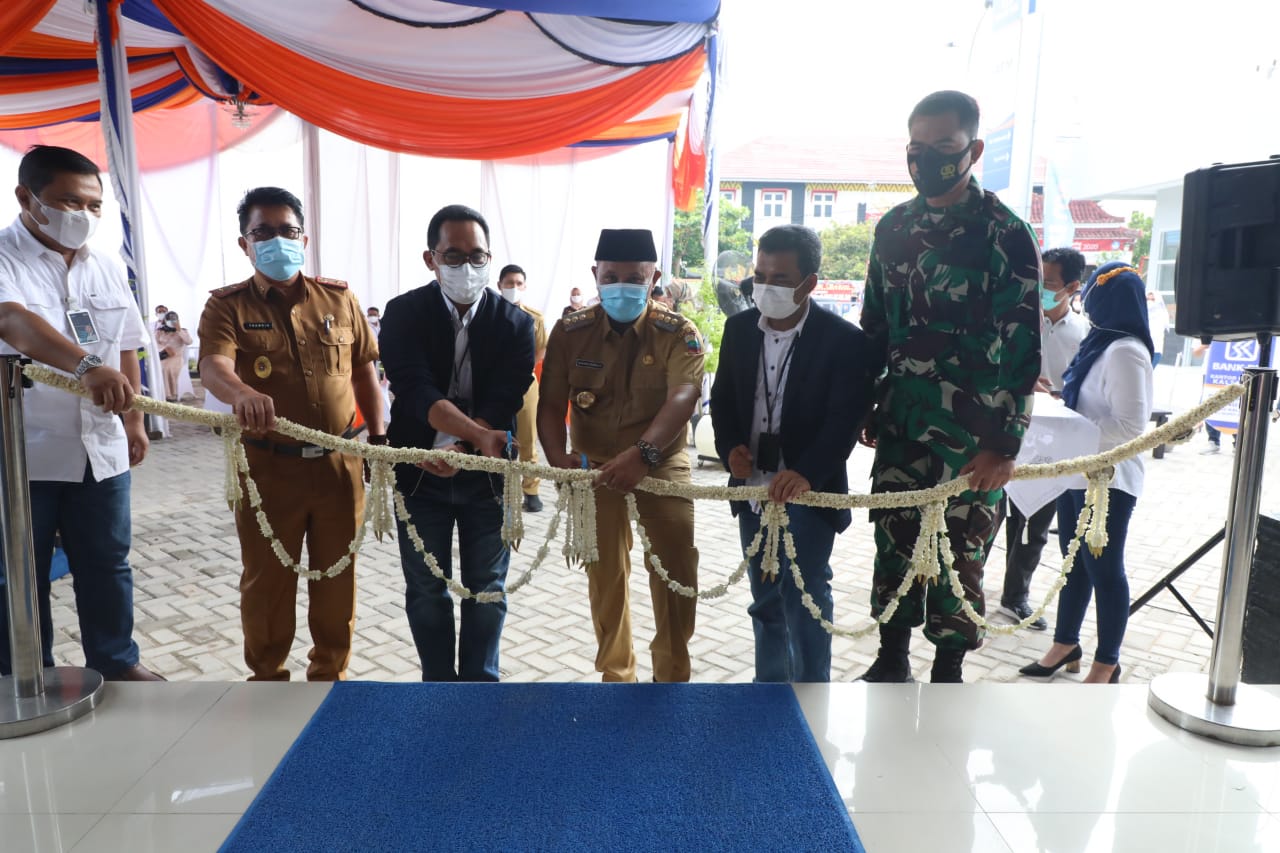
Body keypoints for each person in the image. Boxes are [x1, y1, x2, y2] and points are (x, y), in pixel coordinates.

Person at [858, 91, 1042, 684]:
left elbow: (1022, 350)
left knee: (960, 553)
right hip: (902, 423)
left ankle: (948, 670)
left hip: (972, 434)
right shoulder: (893, 227)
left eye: (944, 147)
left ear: (973, 150)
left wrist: (1004, 446)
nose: (927, 159)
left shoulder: (1004, 233)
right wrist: (868, 402)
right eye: (918, 147)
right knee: (894, 540)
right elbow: (874, 327)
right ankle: (890, 660)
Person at [198, 186, 384, 682]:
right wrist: (240, 394)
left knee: (337, 578)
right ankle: (267, 679)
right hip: (267, 469)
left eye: (287, 230)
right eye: (263, 232)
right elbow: (214, 367)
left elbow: (365, 371)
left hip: (338, 466)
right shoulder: (226, 307)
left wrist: (379, 440)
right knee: (267, 583)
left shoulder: (339, 298)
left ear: (304, 236)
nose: (277, 240)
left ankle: (330, 677)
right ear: (245, 243)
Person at [0, 144, 161, 681]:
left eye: (93, 205)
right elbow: (13, 323)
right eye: (69, 202)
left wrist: (134, 421)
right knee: (20, 575)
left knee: (107, 565)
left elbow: (128, 346)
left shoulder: (108, 265)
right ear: (28, 198)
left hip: (101, 450)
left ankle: (116, 665)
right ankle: (26, 674)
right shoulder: (5, 257)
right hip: (25, 454)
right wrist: (86, 365)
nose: (83, 216)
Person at [710, 225, 878, 682]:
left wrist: (805, 471)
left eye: (780, 279)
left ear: (809, 283)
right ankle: (770, 696)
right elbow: (723, 400)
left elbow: (844, 419)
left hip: (807, 493)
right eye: (760, 275)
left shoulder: (843, 341)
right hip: (753, 489)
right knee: (765, 599)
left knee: (804, 597)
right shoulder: (739, 329)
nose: (765, 287)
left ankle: (811, 698)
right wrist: (729, 451)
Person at [538, 228, 704, 683]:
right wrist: (556, 456)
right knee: (605, 576)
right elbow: (550, 402)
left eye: (635, 276)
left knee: (675, 570)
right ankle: (617, 673)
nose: (623, 285)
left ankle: (671, 675)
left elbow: (684, 395)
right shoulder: (572, 331)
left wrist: (644, 454)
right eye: (611, 276)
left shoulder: (677, 332)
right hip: (593, 466)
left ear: (654, 277)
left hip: (662, 463)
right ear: (595, 274)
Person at [378, 204, 534, 682]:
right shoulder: (403, 314)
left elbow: (505, 395)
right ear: (431, 259)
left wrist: (465, 449)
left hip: (487, 479)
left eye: (477, 256)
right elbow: (415, 389)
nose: (467, 268)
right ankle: (438, 689)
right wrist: (468, 441)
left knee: (487, 588)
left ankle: (480, 691)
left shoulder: (516, 324)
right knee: (426, 588)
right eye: (453, 256)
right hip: (420, 473)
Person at [1019, 262, 1154, 684]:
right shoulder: (1102, 342)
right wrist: (1057, 400)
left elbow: (1132, 427)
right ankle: (1066, 644)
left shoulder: (1126, 351)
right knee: (1073, 562)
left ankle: (1107, 661)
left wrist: (1073, 432)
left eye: (1093, 294)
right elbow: (1090, 404)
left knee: (1105, 569)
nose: (1085, 302)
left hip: (1108, 480)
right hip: (1079, 470)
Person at [998, 247, 1088, 631]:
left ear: (1071, 287)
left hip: (1053, 443)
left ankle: (1015, 596)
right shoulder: (1016, 322)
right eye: (1038, 282)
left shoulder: (1084, 334)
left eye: (1049, 284)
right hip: (1002, 437)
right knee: (987, 515)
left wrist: (1059, 395)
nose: (1041, 290)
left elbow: (1086, 391)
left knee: (1034, 524)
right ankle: (962, 592)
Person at [498, 263, 548, 512]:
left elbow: (540, 351)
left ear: (525, 286)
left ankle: (531, 490)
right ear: (499, 285)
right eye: (509, 283)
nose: (514, 287)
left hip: (526, 384)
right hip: (494, 384)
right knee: (496, 435)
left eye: (518, 283)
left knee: (528, 437)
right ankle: (496, 486)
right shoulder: (489, 313)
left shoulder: (534, 318)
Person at [155, 310, 192, 402]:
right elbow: (154, 343)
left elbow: (189, 342)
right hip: (163, 355)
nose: (171, 321)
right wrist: (164, 348)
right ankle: (159, 393)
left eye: (173, 319)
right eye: (169, 319)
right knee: (157, 366)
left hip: (176, 357)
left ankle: (171, 394)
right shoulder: (160, 331)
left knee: (166, 368)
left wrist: (178, 330)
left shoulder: (182, 331)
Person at [1145, 286, 1169, 366]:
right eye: (1147, 299)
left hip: (1155, 350)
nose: (1149, 302)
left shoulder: (1161, 314)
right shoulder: (1143, 314)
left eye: (1152, 299)